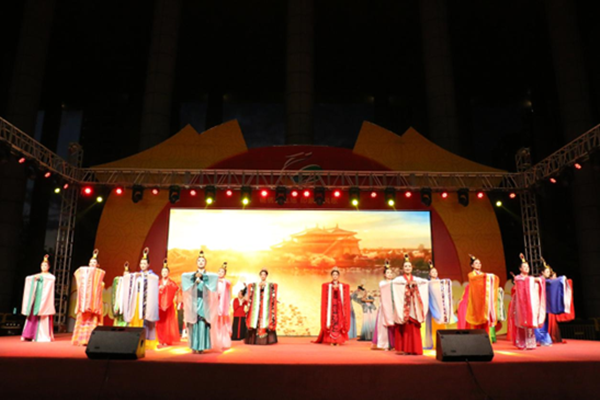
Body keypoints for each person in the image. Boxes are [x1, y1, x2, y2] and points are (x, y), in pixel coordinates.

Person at [181, 250, 218, 353]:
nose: (201, 262)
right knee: (194, 323)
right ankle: (194, 345)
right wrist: (195, 277)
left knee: (202, 322)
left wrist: (203, 277)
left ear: (205, 263)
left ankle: (201, 346)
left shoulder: (208, 276)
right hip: (194, 301)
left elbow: (215, 278)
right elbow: (183, 277)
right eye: (199, 261)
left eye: (203, 261)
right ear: (196, 263)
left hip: (204, 302)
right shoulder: (192, 275)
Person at [391, 254, 429, 355]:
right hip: (404, 307)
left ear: (412, 268)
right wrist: (406, 285)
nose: (407, 268)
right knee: (405, 327)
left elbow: (425, 282)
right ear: (403, 268)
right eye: (405, 266)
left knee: (413, 327)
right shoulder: (399, 280)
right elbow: (394, 284)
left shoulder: (416, 279)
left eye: (409, 266)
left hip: (413, 306)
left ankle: (415, 349)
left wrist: (415, 284)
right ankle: (405, 349)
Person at [508, 253, 546, 350]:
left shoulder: (529, 279)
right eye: (524, 267)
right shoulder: (518, 278)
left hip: (529, 305)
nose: (527, 268)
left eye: (528, 267)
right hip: (521, 305)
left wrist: (538, 280)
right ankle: (521, 343)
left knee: (530, 323)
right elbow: (525, 282)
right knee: (521, 324)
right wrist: (534, 279)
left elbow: (532, 282)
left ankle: (530, 343)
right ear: (520, 269)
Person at [125, 248, 159, 350]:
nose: (142, 265)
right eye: (141, 263)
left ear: (148, 265)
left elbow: (155, 280)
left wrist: (145, 276)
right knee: (136, 318)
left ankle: (147, 342)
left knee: (146, 320)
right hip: (137, 299)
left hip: (146, 301)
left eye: (144, 263)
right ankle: (134, 340)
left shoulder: (151, 276)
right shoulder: (137, 275)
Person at [536, 258, 573, 345]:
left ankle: (544, 339)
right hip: (539, 304)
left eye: (549, 272)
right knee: (541, 322)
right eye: (547, 272)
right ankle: (540, 339)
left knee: (545, 321)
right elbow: (552, 283)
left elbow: (552, 283)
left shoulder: (546, 280)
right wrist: (561, 279)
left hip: (545, 304)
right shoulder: (541, 280)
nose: (548, 273)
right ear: (542, 272)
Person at [72, 249, 105, 346]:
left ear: (98, 265)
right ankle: (81, 339)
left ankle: (91, 339)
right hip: (84, 303)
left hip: (94, 304)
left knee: (92, 319)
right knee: (83, 318)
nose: (92, 264)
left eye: (94, 263)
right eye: (90, 263)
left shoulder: (99, 277)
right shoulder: (84, 275)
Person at [464, 254, 501, 341]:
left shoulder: (485, 276)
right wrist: (486, 276)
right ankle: (474, 340)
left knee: (485, 320)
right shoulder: (471, 275)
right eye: (476, 263)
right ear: (472, 265)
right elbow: (476, 281)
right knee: (475, 320)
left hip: (484, 301)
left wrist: (491, 277)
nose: (478, 265)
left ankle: (485, 340)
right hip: (476, 301)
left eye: (479, 263)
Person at [21, 254, 55, 342]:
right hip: (36, 299)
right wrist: (34, 278)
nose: (43, 267)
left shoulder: (50, 277)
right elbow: (29, 278)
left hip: (43, 302)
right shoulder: (37, 275)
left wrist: (41, 278)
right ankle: (28, 334)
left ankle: (39, 336)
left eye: (45, 265)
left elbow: (49, 280)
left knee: (41, 317)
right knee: (31, 317)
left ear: (49, 267)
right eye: (42, 265)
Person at [314, 267, 352, 345]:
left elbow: (345, 291)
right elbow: (325, 293)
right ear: (331, 276)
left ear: (339, 276)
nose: (335, 276)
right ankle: (331, 340)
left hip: (339, 307)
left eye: (336, 275)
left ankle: (338, 340)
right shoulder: (328, 286)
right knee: (331, 321)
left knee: (338, 321)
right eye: (333, 275)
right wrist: (331, 288)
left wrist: (338, 288)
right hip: (331, 307)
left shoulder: (342, 286)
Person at [425, 260, 454, 350]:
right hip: (432, 306)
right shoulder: (428, 283)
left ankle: (443, 343)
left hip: (441, 307)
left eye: (436, 272)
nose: (434, 273)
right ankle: (434, 343)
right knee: (433, 325)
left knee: (442, 324)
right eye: (432, 272)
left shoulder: (441, 283)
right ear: (429, 274)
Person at [246, 269, 278, 345]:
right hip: (257, 305)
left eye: (264, 274)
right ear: (260, 276)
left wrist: (267, 286)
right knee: (256, 318)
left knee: (265, 318)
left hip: (265, 306)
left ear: (266, 276)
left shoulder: (269, 285)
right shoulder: (256, 284)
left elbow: (275, 286)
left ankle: (264, 336)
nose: (263, 276)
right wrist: (257, 286)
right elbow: (250, 286)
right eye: (262, 274)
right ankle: (256, 337)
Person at [372, 260, 396, 350]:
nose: (389, 274)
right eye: (388, 273)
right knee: (383, 326)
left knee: (394, 325)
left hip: (393, 306)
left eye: (391, 273)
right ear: (385, 275)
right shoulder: (382, 283)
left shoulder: (394, 283)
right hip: (384, 306)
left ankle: (393, 344)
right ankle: (385, 343)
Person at [156, 258, 180, 346]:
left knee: (167, 323)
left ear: (168, 273)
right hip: (159, 305)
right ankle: (160, 339)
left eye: (166, 271)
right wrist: (159, 289)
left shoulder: (171, 283)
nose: (164, 273)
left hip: (168, 305)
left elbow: (176, 288)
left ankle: (166, 340)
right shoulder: (158, 282)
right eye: (163, 271)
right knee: (160, 323)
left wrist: (166, 288)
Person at [212, 262, 232, 351]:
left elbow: (229, 283)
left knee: (222, 323)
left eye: (222, 272)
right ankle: (215, 341)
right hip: (215, 303)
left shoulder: (226, 282)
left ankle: (223, 341)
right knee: (215, 322)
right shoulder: (214, 281)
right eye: (219, 271)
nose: (220, 273)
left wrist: (222, 281)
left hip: (222, 305)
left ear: (224, 274)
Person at [111, 262, 130, 327]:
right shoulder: (119, 281)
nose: (125, 275)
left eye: (127, 274)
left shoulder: (131, 283)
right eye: (124, 274)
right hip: (119, 303)